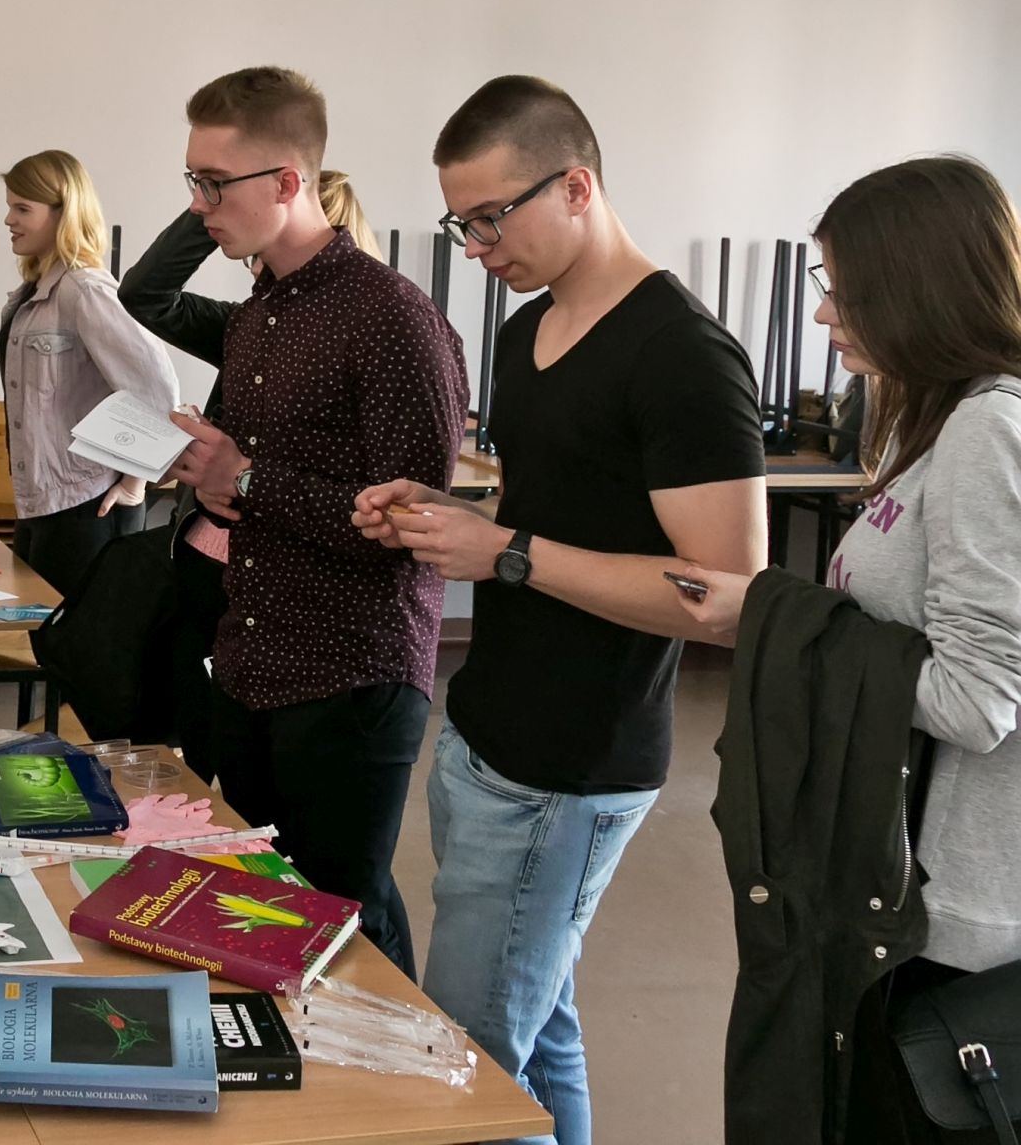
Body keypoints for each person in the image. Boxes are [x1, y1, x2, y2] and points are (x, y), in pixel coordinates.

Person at [352, 75, 766, 1145]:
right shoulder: (529, 329)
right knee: (538, 1039)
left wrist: (509, 553)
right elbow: (551, 514)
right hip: (488, 729)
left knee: (470, 1065)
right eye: (462, 222)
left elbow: (728, 600)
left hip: (573, 760)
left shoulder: (681, 355)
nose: (476, 247)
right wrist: (449, 515)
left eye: (493, 217)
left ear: (577, 186)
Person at [679, 156, 1021, 1145]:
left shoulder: (987, 431)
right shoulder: (944, 422)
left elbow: (980, 698)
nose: (825, 312)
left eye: (843, 285)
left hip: (954, 905)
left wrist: (774, 616)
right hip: (909, 881)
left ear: (917, 284)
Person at [160, 66, 470, 976]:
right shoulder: (258, 312)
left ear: (288, 182)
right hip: (252, 659)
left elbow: (413, 520)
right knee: (275, 905)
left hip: (350, 673)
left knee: (347, 919)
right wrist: (216, 483)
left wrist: (249, 479)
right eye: (193, 180)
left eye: (215, 184)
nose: (199, 206)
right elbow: (255, 482)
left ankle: (399, 1062)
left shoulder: (392, 318)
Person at [118, 167, 388, 781]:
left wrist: (242, 474)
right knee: (206, 766)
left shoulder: (367, 330)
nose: (259, 274)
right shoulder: (249, 325)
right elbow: (145, 294)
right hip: (204, 567)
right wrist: (215, 204)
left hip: (286, 589)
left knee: (265, 787)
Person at [0, 149, 178, 598]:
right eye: (10, 206)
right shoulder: (31, 294)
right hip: (42, 500)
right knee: (43, 632)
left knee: (78, 637)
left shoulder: (86, 290)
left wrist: (135, 483)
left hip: (89, 503)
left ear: (63, 214)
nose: (9, 219)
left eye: (22, 208)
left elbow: (156, 387)